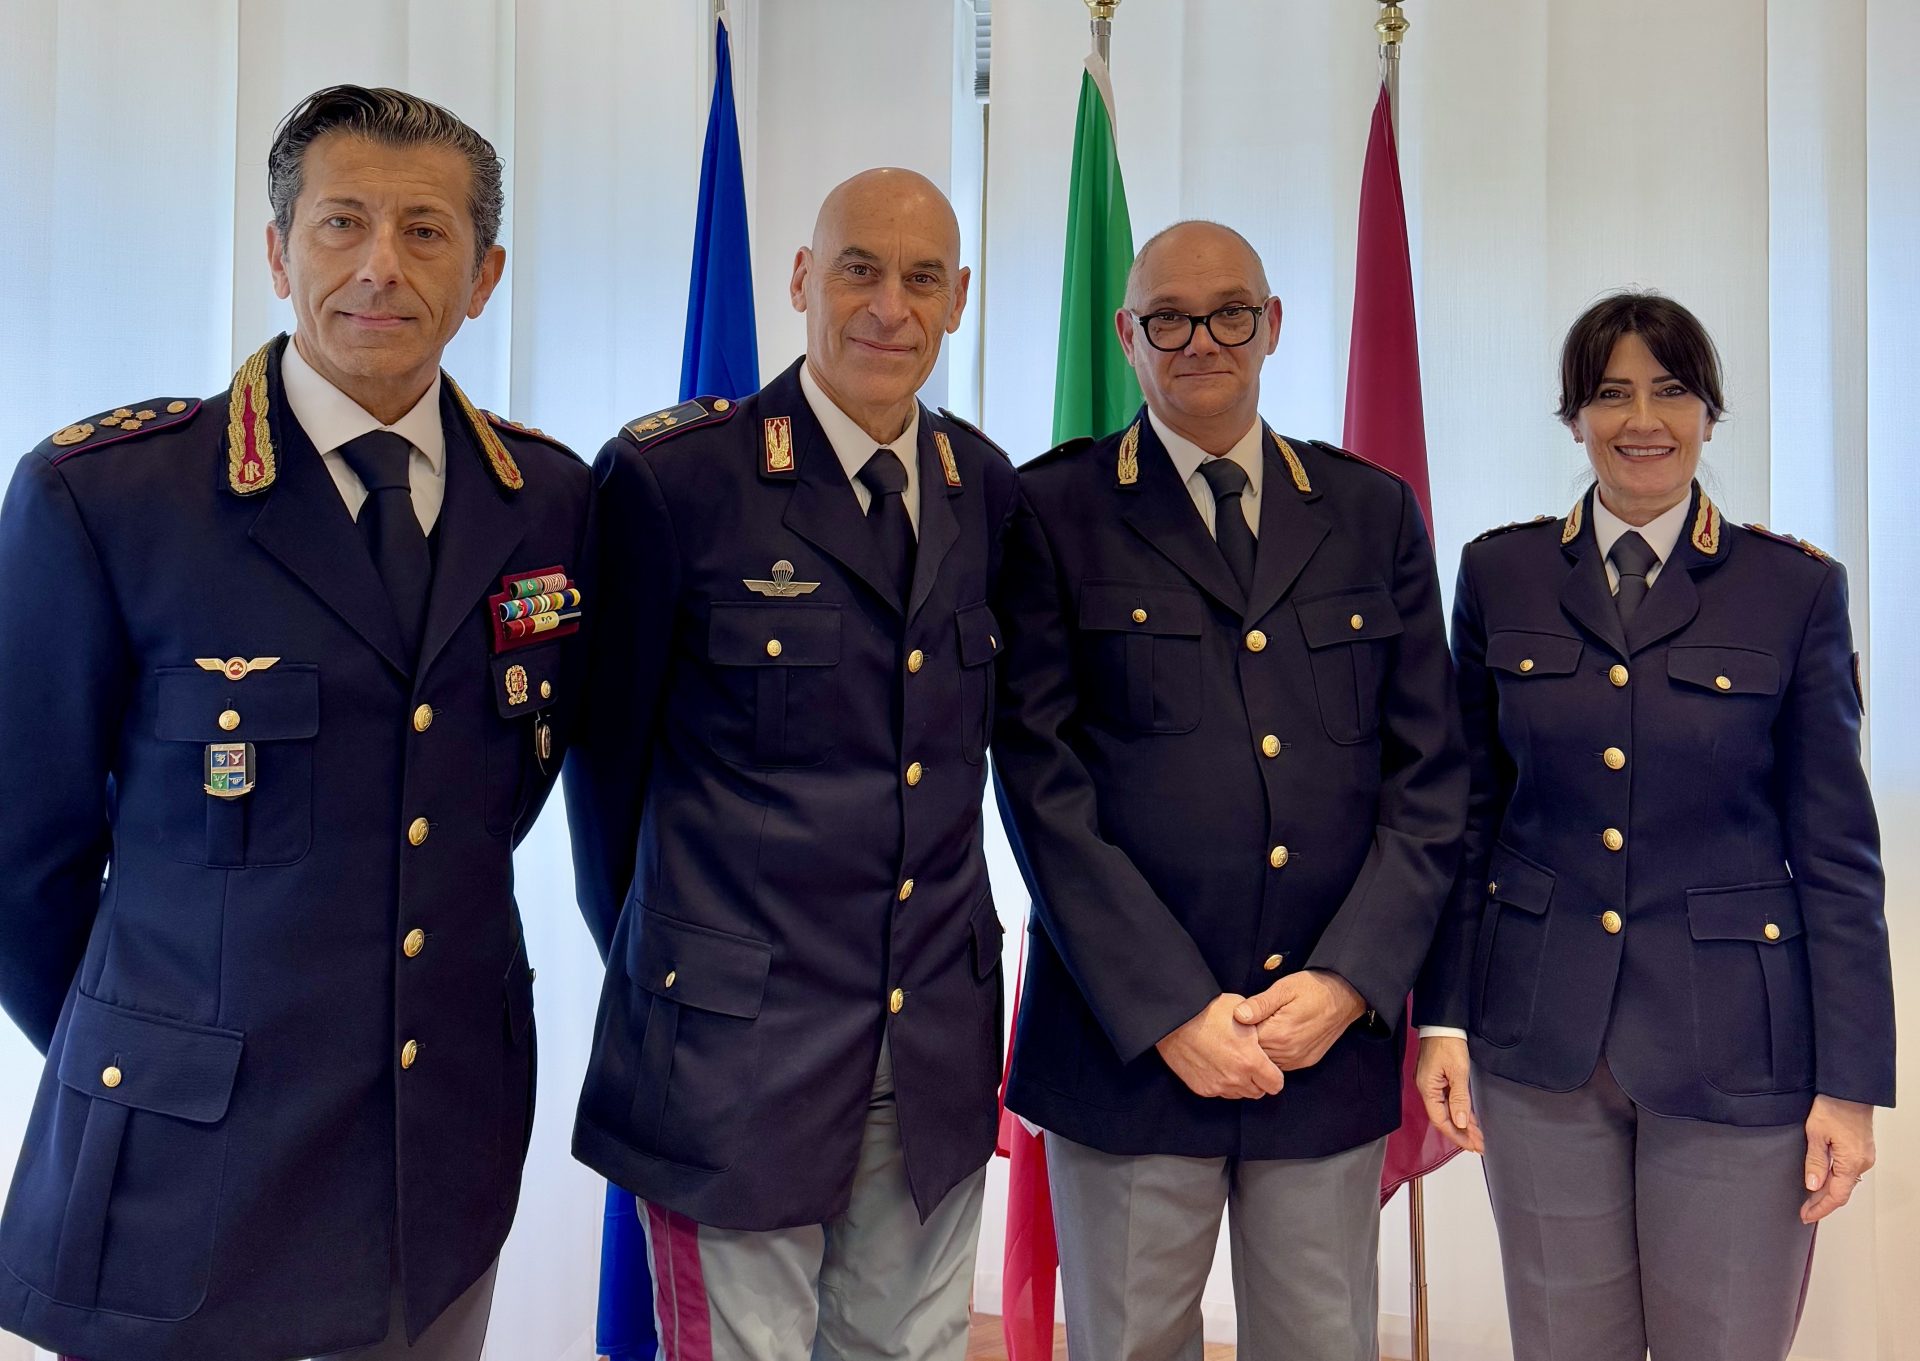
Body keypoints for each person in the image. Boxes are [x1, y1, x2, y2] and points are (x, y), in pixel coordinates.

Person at [0, 85, 590, 1361]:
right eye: (341, 223)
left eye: (426, 232)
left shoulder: (549, 502)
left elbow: (495, 795)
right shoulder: (110, 498)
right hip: (180, 1168)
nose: (381, 266)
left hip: (438, 1157)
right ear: (278, 253)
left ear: (484, 276)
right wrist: (153, 1048)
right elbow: (22, 862)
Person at [989, 220, 1466, 1361]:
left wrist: (1348, 981)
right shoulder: (1051, 510)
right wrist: (1171, 1010)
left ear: (1273, 325)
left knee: (1323, 1343)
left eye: (1230, 313)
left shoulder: (1370, 510)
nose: (1202, 339)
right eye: (1170, 318)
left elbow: (1429, 778)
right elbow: (1041, 785)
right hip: (1128, 1043)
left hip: (1321, 1036)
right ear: (1128, 335)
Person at [565, 167, 1017, 1361]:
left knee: (908, 1349)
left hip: (930, 1035)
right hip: (732, 1044)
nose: (889, 306)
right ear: (803, 277)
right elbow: (605, 773)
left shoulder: (984, 487)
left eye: (922, 277)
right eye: (859, 269)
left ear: (959, 297)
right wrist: (674, 966)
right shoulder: (675, 479)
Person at [1414, 291, 1894, 1360]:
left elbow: (1837, 855)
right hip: (1539, 1035)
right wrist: (1441, 1015)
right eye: (1611, 393)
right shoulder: (1502, 574)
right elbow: (1468, 815)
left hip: (1737, 1046)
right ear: (1574, 417)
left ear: (1709, 413)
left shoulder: (1792, 588)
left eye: (1671, 391)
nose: (1642, 419)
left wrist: (1851, 1082)